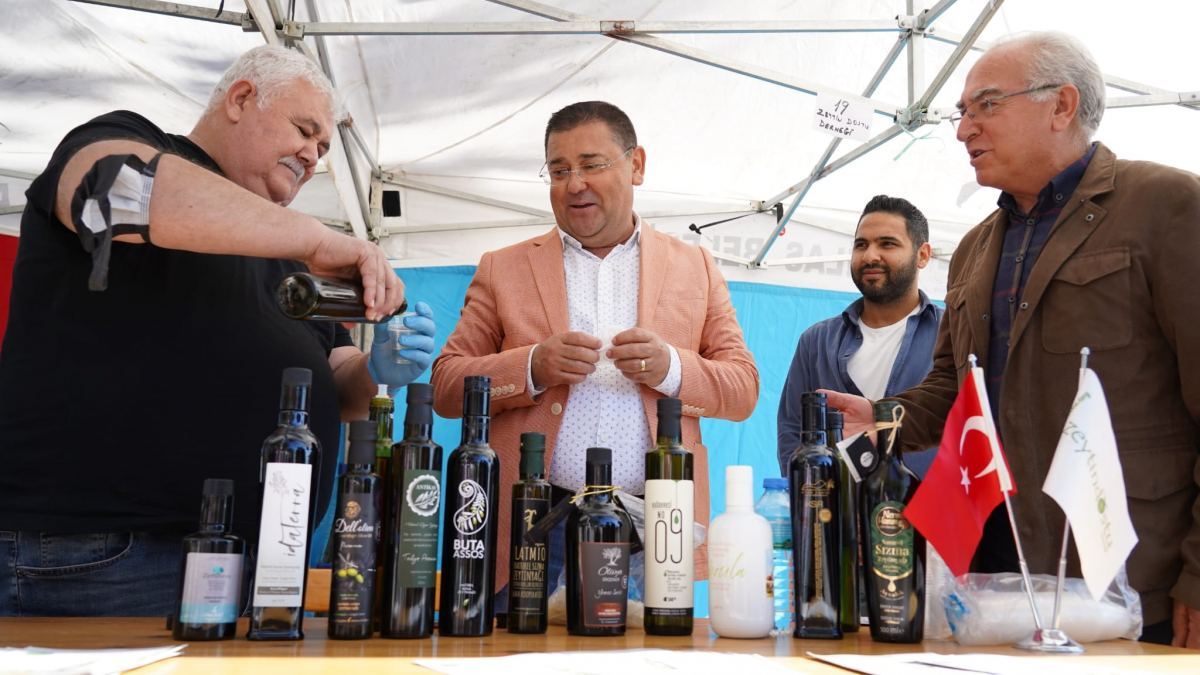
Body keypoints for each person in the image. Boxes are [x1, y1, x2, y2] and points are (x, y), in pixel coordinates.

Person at [0, 45, 436, 617]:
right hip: (108, 552)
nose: (313, 156)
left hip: (261, 561)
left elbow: (337, 384)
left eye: (324, 148)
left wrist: (377, 370)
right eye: (304, 131)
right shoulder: (126, 139)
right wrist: (313, 237)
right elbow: (114, 189)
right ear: (241, 98)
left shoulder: (287, 255)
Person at [824, 32, 1200, 648]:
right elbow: (955, 386)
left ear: (1062, 106)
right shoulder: (974, 248)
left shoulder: (1168, 206)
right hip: (996, 585)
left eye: (987, 105)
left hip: (1134, 583)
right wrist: (883, 417)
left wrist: (1198, 576)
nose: (963, 129)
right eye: (962, 111)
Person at [430, 101, 759, 607]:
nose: (574, 184)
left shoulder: (694, 266)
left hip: (653, 530)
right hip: (533, 523)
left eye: (591, 165)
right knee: (510, 649)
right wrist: (531, 366)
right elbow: (447, 387)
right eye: (559, 170)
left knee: (651, 651)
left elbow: (742, 390)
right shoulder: (503, 268)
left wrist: (671, 368)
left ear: (637, 165)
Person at [776, 195, 942, 475]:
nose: (870, 256)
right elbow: (793, 432)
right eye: (861, 245)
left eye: (887, 244)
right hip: (835, 500)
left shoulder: (952, 333)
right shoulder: (816, 342)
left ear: (923, 255)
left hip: (930, 501)